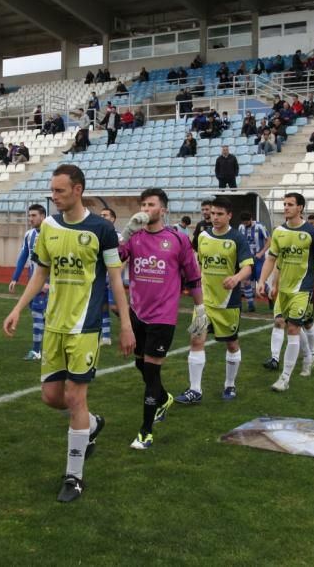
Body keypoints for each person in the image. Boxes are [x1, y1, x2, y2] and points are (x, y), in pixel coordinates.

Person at [3, 165, 132, 502]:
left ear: (78, 190)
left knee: (75, 397)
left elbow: (115, 279)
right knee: (50, 397)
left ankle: (73, 477)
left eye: (59, 191)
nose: (54, 197)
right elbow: (41, 271)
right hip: (53, 324)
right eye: (52, 191)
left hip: (85, 327)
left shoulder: (102, 230)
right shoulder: (49, 227)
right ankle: (90, 423)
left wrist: (126, 325)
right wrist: (17, 308)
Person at [117, 189, 204, 450]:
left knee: (152, 369)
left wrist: (200, 309)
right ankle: (163, 397)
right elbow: (113, 259)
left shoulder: (177, 239)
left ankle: (146, 432)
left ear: (163, 210)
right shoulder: (134, 239)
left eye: (151, 204)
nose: (145, 208)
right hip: (137, 312)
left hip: (163, 316)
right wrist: (126, 233)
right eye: (142, 204)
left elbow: (192, 275)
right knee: (141, 366)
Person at [174, 197, 253, 404]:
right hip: (204, 302)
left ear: (229, 215)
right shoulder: (202, 236)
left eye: (219, 214)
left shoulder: (237, 239)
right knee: (196, 340)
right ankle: (195, 390)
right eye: (212, 213)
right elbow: (198, 262)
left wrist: (236, 278)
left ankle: (229, 384)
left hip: (227, 303)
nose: (214, 217)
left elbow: (248, 267)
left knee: (232, 344)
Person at [257, 193, 314, 386]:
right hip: (283, 290)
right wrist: (263, 281)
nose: (286, 207)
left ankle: (285, 377)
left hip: (302, 289)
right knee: (281, 321)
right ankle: (308, 357)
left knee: (293, 327)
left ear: (300, 208)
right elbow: (272, 259)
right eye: (284, 204)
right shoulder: (279, 232)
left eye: (290, 204)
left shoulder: (313, 234)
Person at [9, 204, 48, 362]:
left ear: (43, 216)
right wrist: (15, 278)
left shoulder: (53, 233)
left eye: (33, 215)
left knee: (39, 315)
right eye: (29, 215)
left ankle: (37, 350)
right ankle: (48, 348)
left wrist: (48, 283)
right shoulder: (29, 235)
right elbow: (23, 256)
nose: (30, 219)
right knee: (41, 316)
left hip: (48, 283)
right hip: (34, 282)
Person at [237, 212, 270, 314]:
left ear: (251, 219)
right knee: (246, 280)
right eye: (244, 222)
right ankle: (251, 305)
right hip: (246, 259)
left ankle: (271, 298)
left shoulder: (260, 226)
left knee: (261, 282)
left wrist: (261, 253)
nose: (245, 224)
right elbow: (239, 241)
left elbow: (269, 241)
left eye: (247, 222)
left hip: (259, 259)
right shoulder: (241, 227)